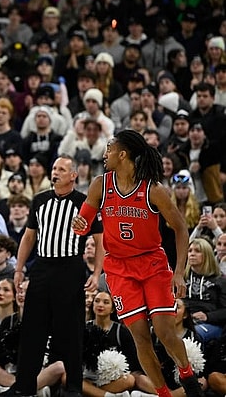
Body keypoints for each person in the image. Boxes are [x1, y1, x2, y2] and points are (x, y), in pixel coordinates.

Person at [72, 129, 206, 397]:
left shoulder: (152, 189)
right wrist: (79, 224)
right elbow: (83, 222)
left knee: (165, 330)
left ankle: (186, 373)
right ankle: (164, 394)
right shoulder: (100, 183)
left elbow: (181, 228)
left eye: (109, 148)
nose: (105, 153)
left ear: (122, 154)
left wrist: (179, 273)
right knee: (140, 336)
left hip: (152, 264)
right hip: (119, 268)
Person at [3, 155, 103, 397]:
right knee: (31, 329)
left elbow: (100, 240)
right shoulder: (39, 201)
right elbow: (28, 237)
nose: (55, 172)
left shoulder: (84, 203)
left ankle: (73, 388)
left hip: (70, 268)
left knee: (71, 329)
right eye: (54, 168)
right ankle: (23, 386)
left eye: (61, 169)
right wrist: (18, 269)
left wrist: (97, 272)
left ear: (73, 176)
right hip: (42, 267)